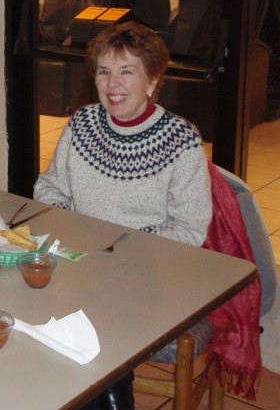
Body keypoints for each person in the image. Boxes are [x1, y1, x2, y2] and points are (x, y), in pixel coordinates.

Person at [33, 22, 213, 409]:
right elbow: (49, 190)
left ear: (152, 80)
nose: (113, 83)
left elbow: (191, 227)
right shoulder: (82, 124)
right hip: (82, 265)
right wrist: (79, 233)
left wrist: (124, 251)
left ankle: (109, 397)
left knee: (95, 327)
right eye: (103, 71)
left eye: (126, 71)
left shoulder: (180, 139)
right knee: (30, 306)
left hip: (154, 277)